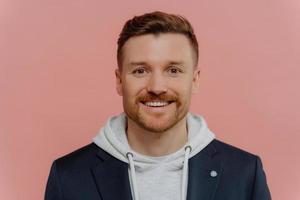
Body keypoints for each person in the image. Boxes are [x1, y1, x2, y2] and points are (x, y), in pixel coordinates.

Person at [45, 11, 271, 200]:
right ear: (119, 81)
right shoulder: (68, 177)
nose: (157, 86)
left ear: (195, 80)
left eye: (173, 70)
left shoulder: (244, 174)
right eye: (140, 70)